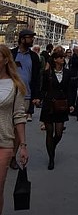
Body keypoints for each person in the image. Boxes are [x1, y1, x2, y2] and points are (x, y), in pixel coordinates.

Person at [0, 45, 28, 215]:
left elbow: (18, 116)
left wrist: (23, 145)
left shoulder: (15, 86)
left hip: (4, 142)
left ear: (5, 60)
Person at [40, 46, 74, 170]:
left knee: (59, 133)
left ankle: (51, 147)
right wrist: (38, 98)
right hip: (49, 105)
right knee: (49, 132)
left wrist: (71, 104)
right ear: (54, 60)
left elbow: (70, 90)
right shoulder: (47, 73)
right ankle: (51, 158)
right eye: (60, 57)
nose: (62, 59)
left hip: (61, 105)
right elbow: (43, 88)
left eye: (63, 57)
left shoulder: (68, 73)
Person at [10, 28, 41, 169]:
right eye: (30, 37)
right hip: (9, 94)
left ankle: (12, 156)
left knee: (18, 128)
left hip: (25, 96)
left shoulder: (34, 57)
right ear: (22, 39)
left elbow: (36, 78)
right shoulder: (12, 54)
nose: (32, 40)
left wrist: (36, 96)